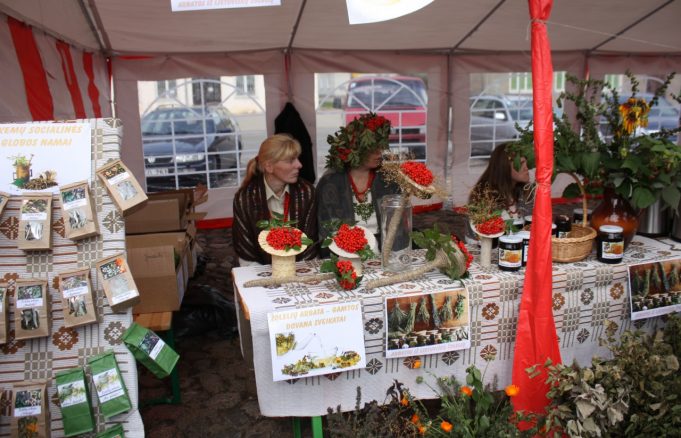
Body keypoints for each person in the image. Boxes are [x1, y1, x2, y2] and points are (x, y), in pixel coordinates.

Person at [233, 134, 318, 266]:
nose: (299, 165)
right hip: (258, 270)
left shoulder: (306, 192)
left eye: (297, 158)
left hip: (300, 269)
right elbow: (246, 250)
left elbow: (310, 242)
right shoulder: (245, 198)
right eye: (290, 160)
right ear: (269, 166)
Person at [316, 113, 399, 245]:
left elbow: (398, 222)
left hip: (385, 247)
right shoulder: (332, 181)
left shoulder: (388, 177)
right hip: (345, 249)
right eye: (373, 148)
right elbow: (327, 229)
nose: (380, 153)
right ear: (356, 149)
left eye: (381, 147)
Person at [468, 142, 531, 219]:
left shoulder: (526, 191)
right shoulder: (484, 197)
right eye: (521, 163)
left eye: (526, 163)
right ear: (504, 166)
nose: (526, 168)